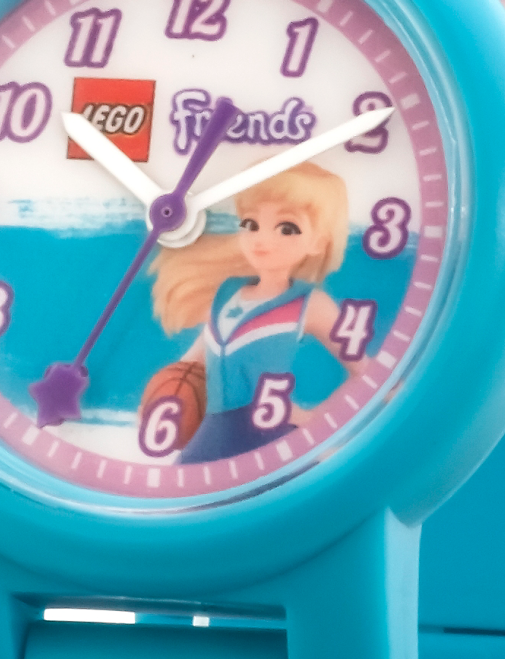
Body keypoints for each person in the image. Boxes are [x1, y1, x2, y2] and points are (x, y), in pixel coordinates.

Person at [147, 161, 370, 463]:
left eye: (287, 228)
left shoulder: (307, 304)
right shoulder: (226, 295)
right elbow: (194, 359)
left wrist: (315, 420)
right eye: (251, 224)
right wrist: (164, 397)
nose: (262, 239)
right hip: (214, 434)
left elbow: (369, 375)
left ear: (318, 242)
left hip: (270, 438)